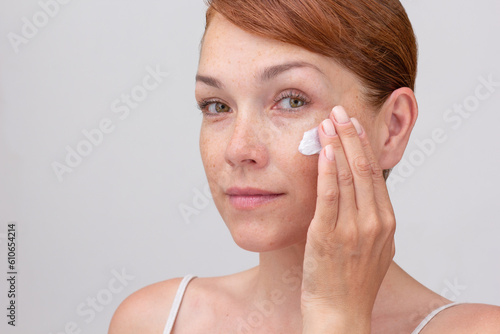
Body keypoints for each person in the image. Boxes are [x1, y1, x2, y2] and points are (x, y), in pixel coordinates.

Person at [109, 0, 500, 333]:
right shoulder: (155, 321)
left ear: (392, 128)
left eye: (292, 100)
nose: (238, 149)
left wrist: (338, 317)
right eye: (217, 105)